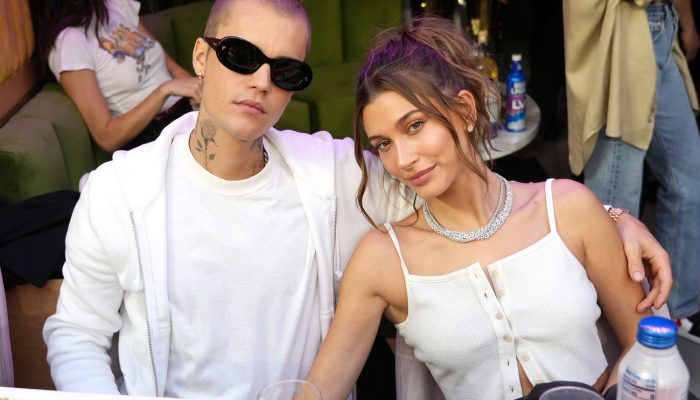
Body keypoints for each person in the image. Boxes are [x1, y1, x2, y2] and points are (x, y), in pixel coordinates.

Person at [43, 0, 672, 398]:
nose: (261, 80)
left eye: (285, 71)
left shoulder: (332, 174)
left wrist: (609, 218)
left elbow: (457, 191)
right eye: (241, 56)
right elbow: (75, 336)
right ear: (201, 58)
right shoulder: (118, 194)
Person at [305, 16, 653, 400]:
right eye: (383, 144)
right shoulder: (383, 260)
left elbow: (647, 343)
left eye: (415, 125)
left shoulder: (568, 209)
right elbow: (319, 391)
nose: (402, 159)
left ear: (466, 111)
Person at [563, 0, 700, 342]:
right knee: (614, 209)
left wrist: (685, 22)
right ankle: (614, 336)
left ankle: (674, 313)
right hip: (623, 25)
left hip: (661, 23)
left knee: (688, 183)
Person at [33, 0, 203, 152]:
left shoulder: (117, 5)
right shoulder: (69, 42)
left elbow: (173, 68)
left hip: (187, 111)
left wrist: (201, 97)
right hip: (153, 135)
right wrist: (164, 90)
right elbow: (107, 138)